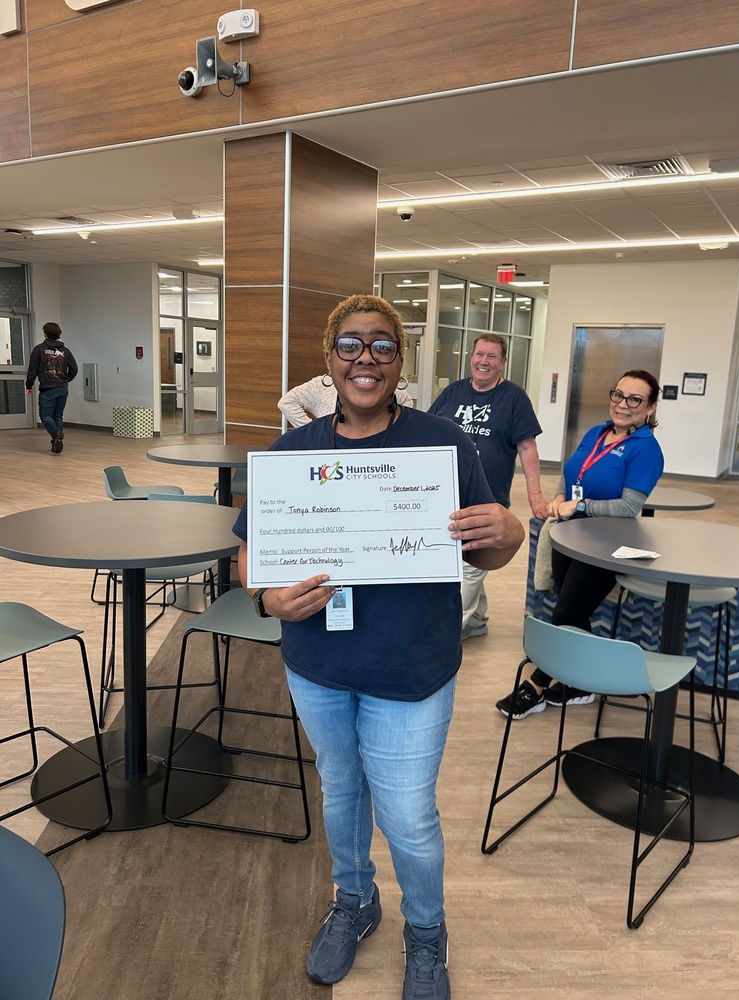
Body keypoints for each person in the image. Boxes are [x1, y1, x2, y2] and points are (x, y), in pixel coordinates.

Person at [233, 294, 524, 1000]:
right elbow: (251, 552)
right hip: (319, 663)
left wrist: (509, 535)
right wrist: (267, 599)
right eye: (352, 345)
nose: (366, 359)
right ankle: (355, 900)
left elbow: (483, 551)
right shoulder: (293, 452)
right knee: (340, 792)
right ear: (329, 359)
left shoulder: (442, 445)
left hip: (411, 666)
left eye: (383, 346)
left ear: (400, 359)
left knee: (407, 816)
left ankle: (426, 930)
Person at [496, 369, 665, 720]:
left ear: (650, 407)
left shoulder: (646, 449)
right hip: (569, 538)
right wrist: (561, 496)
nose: (623, 404)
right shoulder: (596, 433)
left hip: (606, 546)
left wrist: (580, 506)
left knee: (566, 614)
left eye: (635, 399)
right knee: (573, 611)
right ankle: (582, 683)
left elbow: (629, 507)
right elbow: (573, 473)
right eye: (618, 395)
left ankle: (537, 685)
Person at [429, 334, 547, 640]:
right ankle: (478, 620)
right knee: (466, 560)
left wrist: (535, 496)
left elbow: (527, 447)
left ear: (503, 362)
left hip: (486, 499)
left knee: (469, 567)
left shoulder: (514, 397)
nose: (484, 362)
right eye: (479, 354)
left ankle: (446, 631)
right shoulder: (453, 392)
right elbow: (429, 432)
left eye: (492, 356)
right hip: (447, 497)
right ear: (471, 357)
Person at [278, 371, 414, 427]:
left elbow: (406, 402)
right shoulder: (321, 385)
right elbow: (287, 403)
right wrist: (313, 432)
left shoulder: (381, 384)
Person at [25, 321, 78, 454]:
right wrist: (66, 379)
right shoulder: (65, 351)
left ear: (45, 333)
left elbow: (32, 370)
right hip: (63, 388)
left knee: (45, 416)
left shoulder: (39, 349)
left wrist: (29, 384)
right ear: (58, 334)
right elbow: (74, 368)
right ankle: (56, 441)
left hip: (47, 388)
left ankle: (56, 434)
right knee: (58, 416)